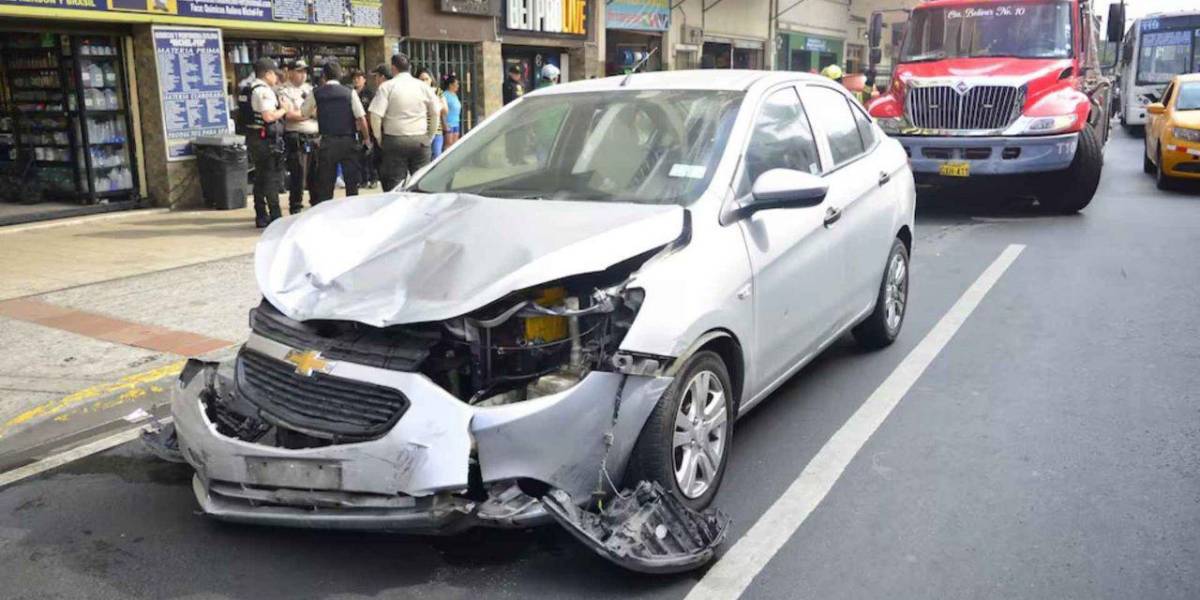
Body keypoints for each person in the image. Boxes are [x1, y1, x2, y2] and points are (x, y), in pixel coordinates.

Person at [303, 59, 370, 204]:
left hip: (327, 142)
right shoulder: (349, 92)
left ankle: (325, 212)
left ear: (324, 76)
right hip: (348, 141)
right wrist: (367, 139)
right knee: (351, 182)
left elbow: (304, 112)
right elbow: (361, 118)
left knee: (326, 184)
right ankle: (352, 210)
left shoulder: (317, 92)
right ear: (340, 75)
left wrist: (319, 113)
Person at [369, 53, 439, 191]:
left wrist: (379, 138)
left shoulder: (387, 87)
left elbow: (375, 115)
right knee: (421, 182)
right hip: (420, 139)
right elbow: (435, 112)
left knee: (395, 185)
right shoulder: (423, 87)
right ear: (410, 67)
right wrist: (430, 136)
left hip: (394, 140)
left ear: (393, 68)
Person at [239, 57, 288, 228]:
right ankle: (275, 215)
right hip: (265, 140)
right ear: (267, 74)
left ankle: (261, 214)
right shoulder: (264, 91)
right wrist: (284, 109)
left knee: (260, 178)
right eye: (275, 74)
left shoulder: (248, 88)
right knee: (270, 178)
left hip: (254, 137)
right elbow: (268, 116)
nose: (276, 78)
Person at [278, 60, 318, 215]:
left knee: (315, 175)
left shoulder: (311, 90)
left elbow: (319, 111)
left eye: (305, 71)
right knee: (298, 175)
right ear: (290, 72)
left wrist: (303, 114)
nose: (303, 74)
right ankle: (296, 208)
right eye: (299, 71)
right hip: (297, 137)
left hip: (314, 136)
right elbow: (289, 115)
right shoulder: (284, 91)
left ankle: (315, 206)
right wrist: (308, 114)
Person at [416, 67, 449, 159]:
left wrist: (435, 102)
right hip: (420, 131)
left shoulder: (437, 91)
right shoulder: (415, 92)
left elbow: (445, 110)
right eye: (421, 79)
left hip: (436, 131)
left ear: (431, 79)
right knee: (423, 159)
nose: (424, 82)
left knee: (436, 156)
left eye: (426, 79)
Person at [442, 75, 462, 150]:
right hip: (448, 123)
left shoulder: (455, 95)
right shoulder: (445, 95)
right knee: (448, 145)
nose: (458, 86)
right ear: (450, 85)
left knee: (454, 145)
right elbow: (443, 111)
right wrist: (444, 124)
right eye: (456, 84)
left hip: (456, 123)